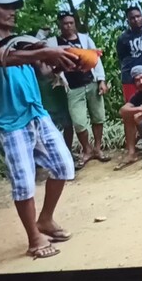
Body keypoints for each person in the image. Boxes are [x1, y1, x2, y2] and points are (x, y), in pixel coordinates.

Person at [0, 0, 78, 259]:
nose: (13, 12)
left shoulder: (20, 41)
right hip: (9, 122)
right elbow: (3, 58)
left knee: (63, 166)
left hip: (37, 113)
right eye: (6, 8)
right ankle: (34, 239)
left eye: (14, 8)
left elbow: (42, 73)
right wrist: (44, 50)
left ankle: (45, 220)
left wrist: (59, 65)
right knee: (24, 183)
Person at [47, 11, 110, 169]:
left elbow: (96, 59)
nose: (68, 26)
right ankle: (86, 149)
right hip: (73, 87)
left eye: (71, 23)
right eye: (65, 24)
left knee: (98, 116)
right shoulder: (54, 43)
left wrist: (101, 80)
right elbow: (48, 61)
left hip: (91, 83)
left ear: (75, 23)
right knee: (79, 122)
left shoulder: (85, 39)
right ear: (59, 25)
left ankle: (97, 148)